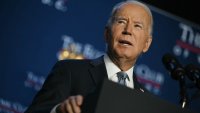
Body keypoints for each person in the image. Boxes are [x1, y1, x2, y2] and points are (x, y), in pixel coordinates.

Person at [25, 0, 153, 113]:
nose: (128, 30)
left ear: (146, 44)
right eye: (121, 21)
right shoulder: (69, 71)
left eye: (137, 26)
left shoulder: (147, 101)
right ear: (106, 34)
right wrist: (59, 110)